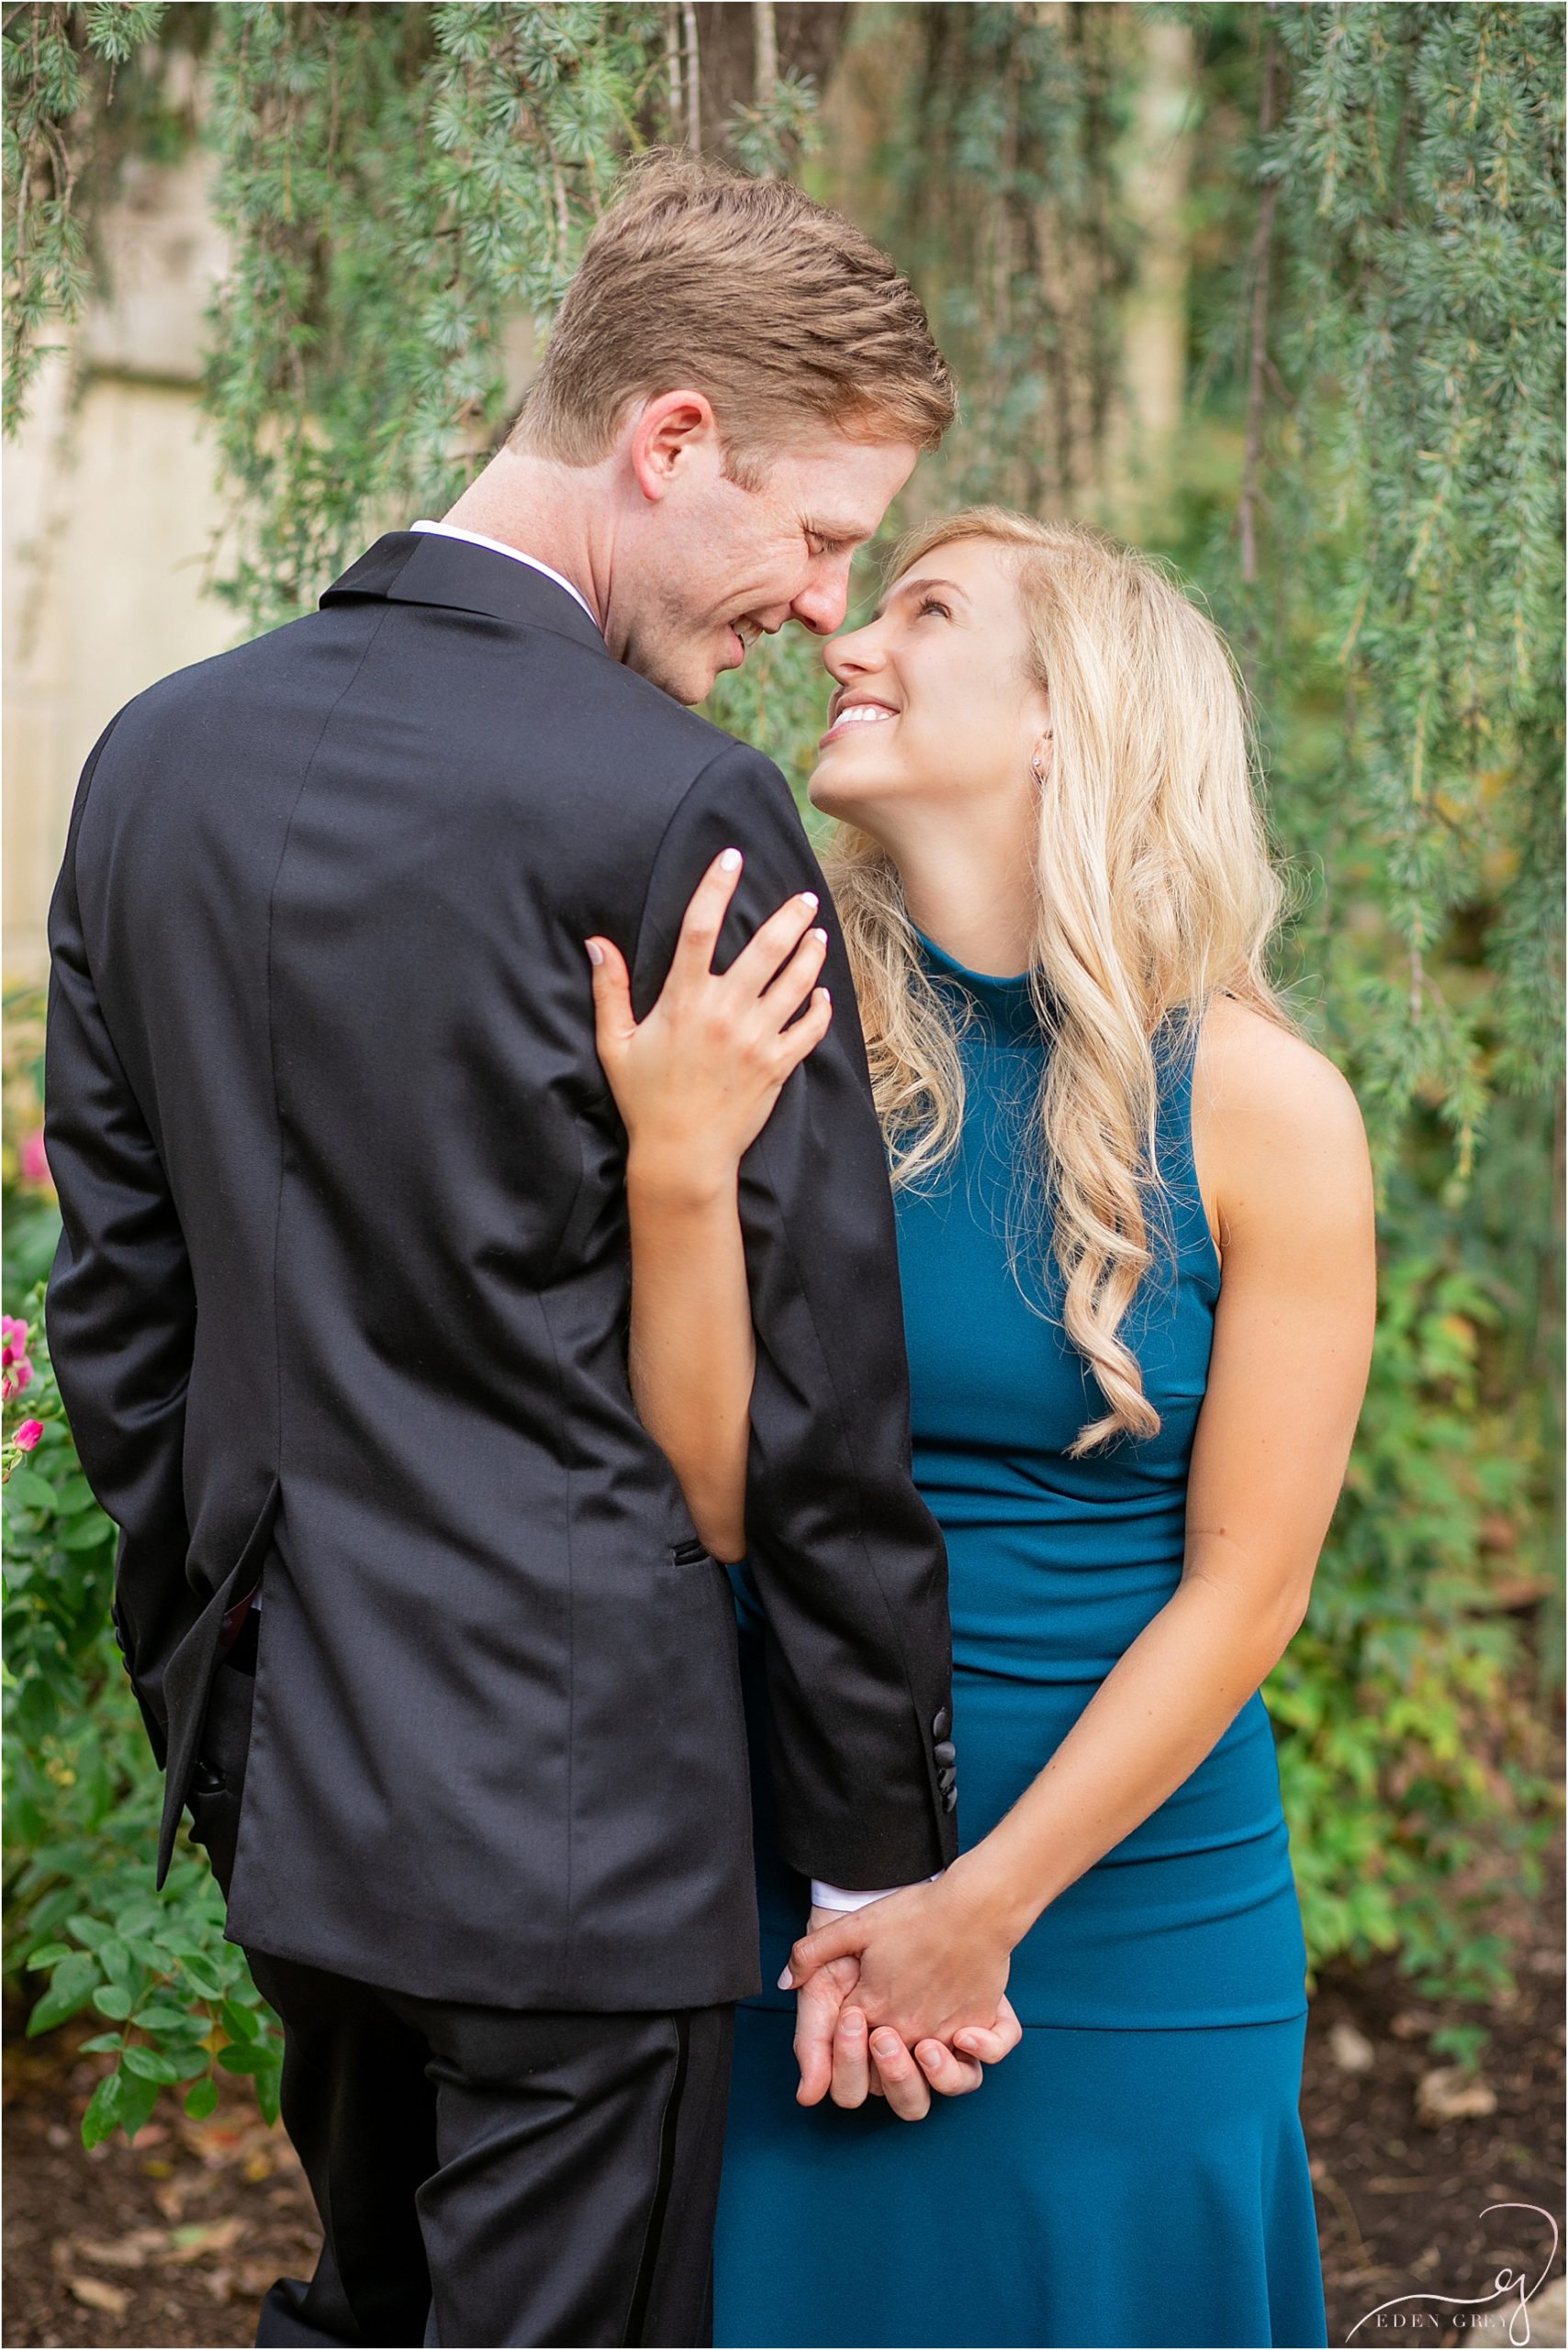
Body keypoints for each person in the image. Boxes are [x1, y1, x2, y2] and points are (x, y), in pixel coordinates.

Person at [42, 156, 1007, 2350]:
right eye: (819, 528)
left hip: (286, 1765)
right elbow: (816, 1385)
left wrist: (226, 1651)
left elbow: (117, 1304)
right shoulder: (674, 807)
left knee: (363, 2306)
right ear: (669, 438)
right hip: (572, 1814)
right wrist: (870, 1845)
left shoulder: (153, 759)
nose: (815, 597)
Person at [588, 508, 1377, 2349]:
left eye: (922, 611)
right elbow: (711, 1496)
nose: (846, 640)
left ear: (1062, 719)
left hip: (1123, 1915)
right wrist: (679, 1165)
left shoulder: (1263, 1107)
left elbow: (1247, 1586)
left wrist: (981, 1905)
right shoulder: (784, 1031)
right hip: (794, 1872)